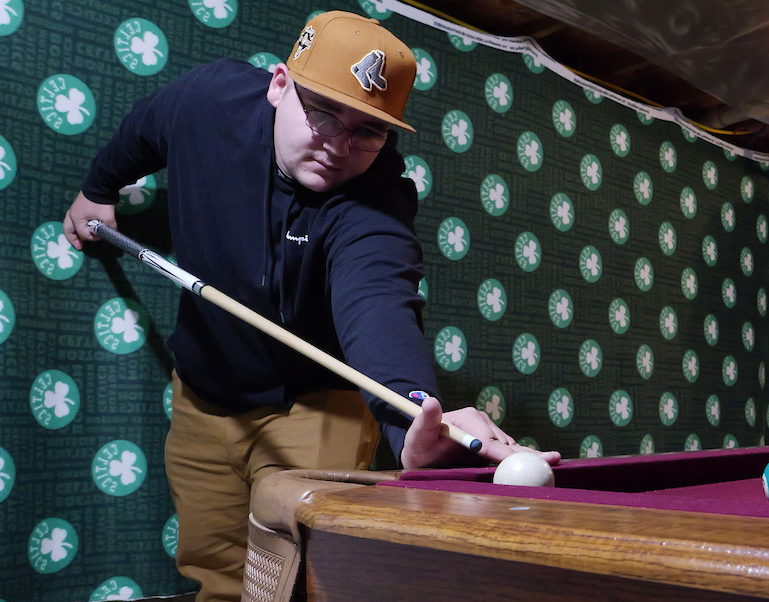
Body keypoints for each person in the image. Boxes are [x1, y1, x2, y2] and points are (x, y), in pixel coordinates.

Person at [63, 11, 560, 602]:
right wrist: (98, 188)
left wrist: (412, 422)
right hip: (203, 390)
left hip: (317, 404)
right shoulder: (208, 101)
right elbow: (148, 126)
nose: (338, 145)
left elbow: (378, 302)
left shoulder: (377, 200)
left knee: (303, 578)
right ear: (279, 84)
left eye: (367, 131)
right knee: (217, 571)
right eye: (323, 112)